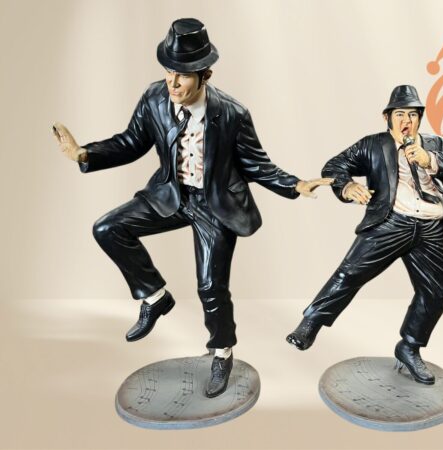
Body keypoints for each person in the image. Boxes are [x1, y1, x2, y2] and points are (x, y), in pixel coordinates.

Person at [53, 18, 331, 398]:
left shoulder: (231, 114)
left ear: (205, 75)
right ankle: (155, 297)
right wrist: (85, 153)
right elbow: (131, 142)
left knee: (211, 287)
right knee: (107, 228)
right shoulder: (154, 98)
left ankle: (222, 353)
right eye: (168, 72)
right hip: (171, 194)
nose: (173, 83)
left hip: (215, 204)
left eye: (182, 75)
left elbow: (256, 164)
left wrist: (295, 184)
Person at [286, 85, 443, 385]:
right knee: (350, 272)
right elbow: (335, 165)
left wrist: (430, 160)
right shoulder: (373, 145)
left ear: (420, 118)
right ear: (387, 117)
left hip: (430, 227)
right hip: (390, 222)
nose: (407, 121)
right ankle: (311, 323)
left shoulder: (434, 144)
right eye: (400, 114)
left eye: (413, 115)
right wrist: (347, 186)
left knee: (437, 292)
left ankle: (410, 347)